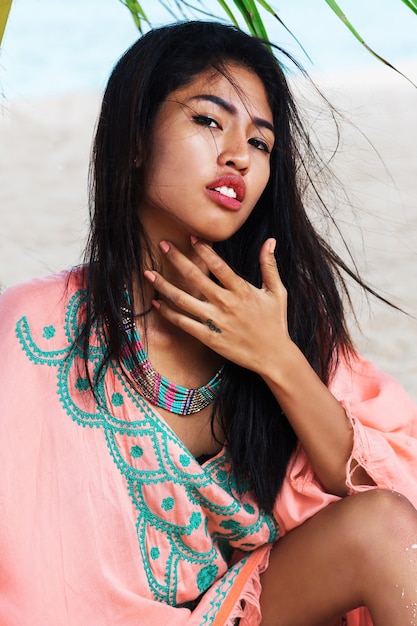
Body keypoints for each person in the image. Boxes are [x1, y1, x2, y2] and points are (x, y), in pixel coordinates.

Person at [0, 20, 416, 626]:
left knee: (385, 531)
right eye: (208, 121)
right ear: (136, 138)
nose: (237, 156)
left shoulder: (281, 316)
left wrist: (277, 358)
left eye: (261, 143)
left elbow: (394, 500)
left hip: (245, 610)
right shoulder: (34, 329)